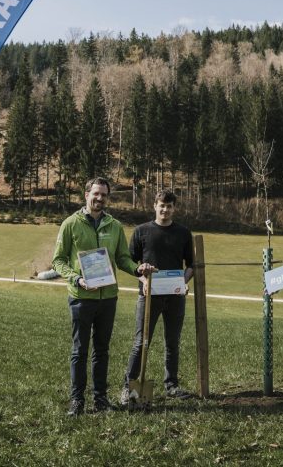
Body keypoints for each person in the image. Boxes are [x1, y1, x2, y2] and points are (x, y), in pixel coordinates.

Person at [52, 176, 155, 416]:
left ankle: (100, 399)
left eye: (104, 195)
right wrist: (76, 279)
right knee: (79, 351)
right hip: (81, 297)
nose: (99, 198)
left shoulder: (115, 226)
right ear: (86, 195)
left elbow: (122, 258)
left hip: (108, 298)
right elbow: (58, 261)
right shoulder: (70, 224)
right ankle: (77, 401)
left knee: (102, 350)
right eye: (95, 194)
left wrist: (137, 269)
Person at [120, 190, 194, 405]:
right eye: (162, 205)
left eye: (169, 206)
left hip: (175, 297)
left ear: (174, 208)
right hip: (148, 296)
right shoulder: (141, 231)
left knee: (172, 342)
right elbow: (130, 263)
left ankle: (172, 386)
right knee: (141, 343)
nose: (165, 209)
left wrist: (184, 282)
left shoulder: (183, 233)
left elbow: (191, 265)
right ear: (155, 206)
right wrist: (143, 279)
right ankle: (128, 387)